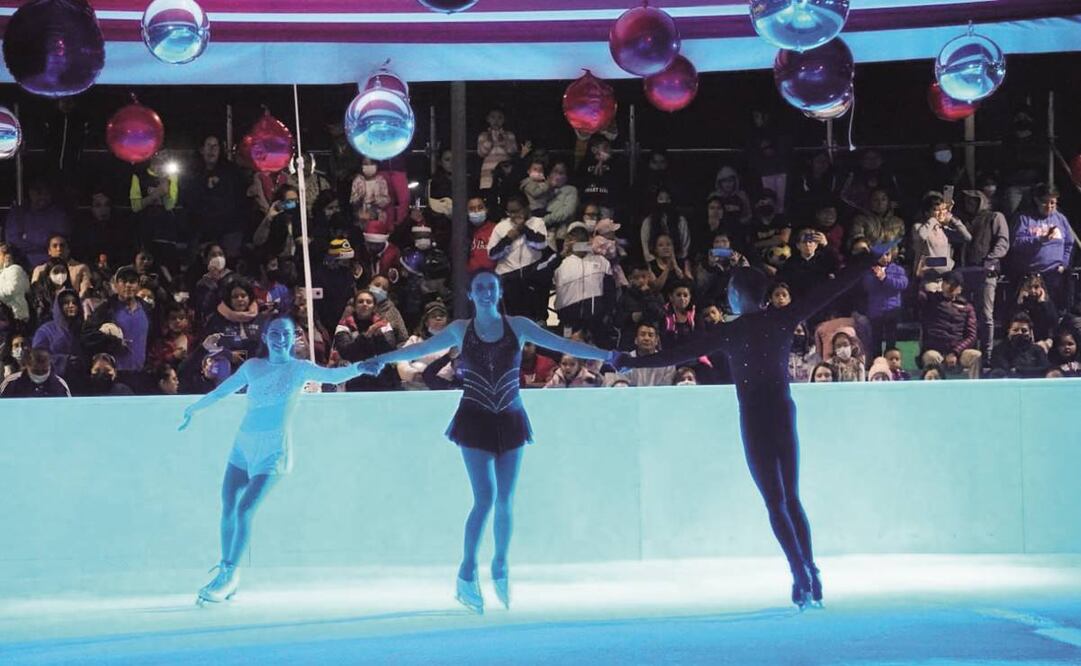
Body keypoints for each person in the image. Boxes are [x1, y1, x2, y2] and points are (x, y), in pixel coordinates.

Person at [617, 238, 899, 609]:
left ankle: (800, 571)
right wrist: (868, 258)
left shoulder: (730, 332)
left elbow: (675, 353)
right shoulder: (781, 318)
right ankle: (809, 569)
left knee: (775, 501)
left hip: (754, 416)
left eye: (731, 291)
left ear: (738, 296)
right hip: (782, 411)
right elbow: (831, 289)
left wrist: (630, 362)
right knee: (791, 498)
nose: (728, 296)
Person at [360, 270, 618, 614]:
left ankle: (500, 565)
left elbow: (563, 345)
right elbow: (422, 349)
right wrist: (381, 359)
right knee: (485, 497)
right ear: (471, 294)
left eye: (490, 287)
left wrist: (608, 355)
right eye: (479, 287)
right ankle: (466, 571)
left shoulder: (520, 326)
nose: (484, 292)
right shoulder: (460, 330)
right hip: (475, 417)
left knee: (506, 499)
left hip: (510, 416)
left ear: (497, 293)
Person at [178, 316, 372, 604]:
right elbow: (221, 391)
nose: (280, 338)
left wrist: (360, 368)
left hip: (273, 452)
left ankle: (230, 573)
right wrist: (194, 409)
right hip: (242, 447)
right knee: (229, 507)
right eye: (275, 333)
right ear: (266, 336)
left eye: (286, 333)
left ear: (294, 338)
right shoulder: (253, 367)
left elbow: (332, 377)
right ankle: (226, 572)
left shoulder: (299, 369)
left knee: (244, 510)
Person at [0, 347, 72, 398]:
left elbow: (68, 410)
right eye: (36, 371)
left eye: (44, 371)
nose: (40, 374)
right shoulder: (12, 384)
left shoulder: (59, 385)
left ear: (49, 366)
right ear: (27, 365)